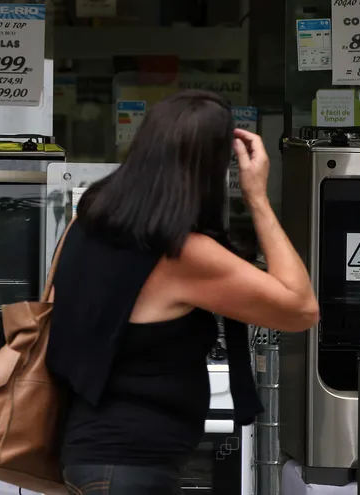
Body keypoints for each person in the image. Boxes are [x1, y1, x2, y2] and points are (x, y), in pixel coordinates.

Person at [47, 90, 318, 494]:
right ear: (210, 169)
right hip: (128, 466)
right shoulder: (182, 253)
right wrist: (258, 197)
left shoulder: (90, 221)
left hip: (94, 452)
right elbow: (301, 309)